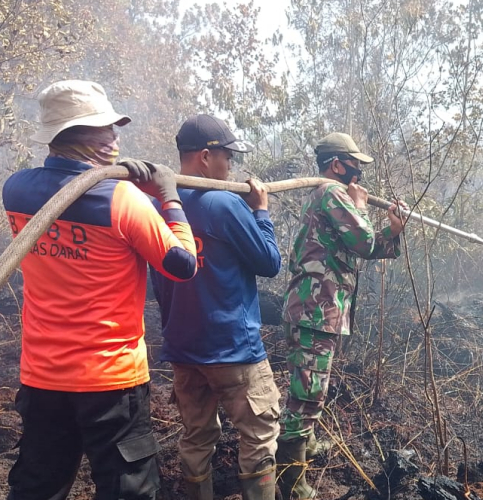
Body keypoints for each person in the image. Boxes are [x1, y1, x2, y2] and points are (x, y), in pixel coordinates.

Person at [1, 80, 197, 499]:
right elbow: (183, 265)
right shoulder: (122, 200)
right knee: (129, 491)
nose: (115, 136)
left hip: (42, 377)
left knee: (37, 488)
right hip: (110, 380)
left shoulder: (15, 189)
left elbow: (71, 197)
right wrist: (168, 197)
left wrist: (124, 186)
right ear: (74, 134)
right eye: (104, 128)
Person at [143, 114, 282, 500]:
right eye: (227, 157)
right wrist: (260, 210)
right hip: (233, 348)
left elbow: (158, 281)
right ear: (205, 157)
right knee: (259, 433)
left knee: (196, 435)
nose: (230, 166)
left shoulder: (157, 206)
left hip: (183, 348)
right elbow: (270, 262)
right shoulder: (224, 203)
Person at [278, 132, 408, 500]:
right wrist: (361, 206)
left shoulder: (326, 194)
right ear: (337, 164)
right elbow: (363, 241)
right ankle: (291, 481)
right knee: (306, 393)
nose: (358, 172)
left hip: (317, 309)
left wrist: (392, 230)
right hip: (314, 310)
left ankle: (305, 444)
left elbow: (365, 245)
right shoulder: (332, 192)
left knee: (311, 387)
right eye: (354, 164)